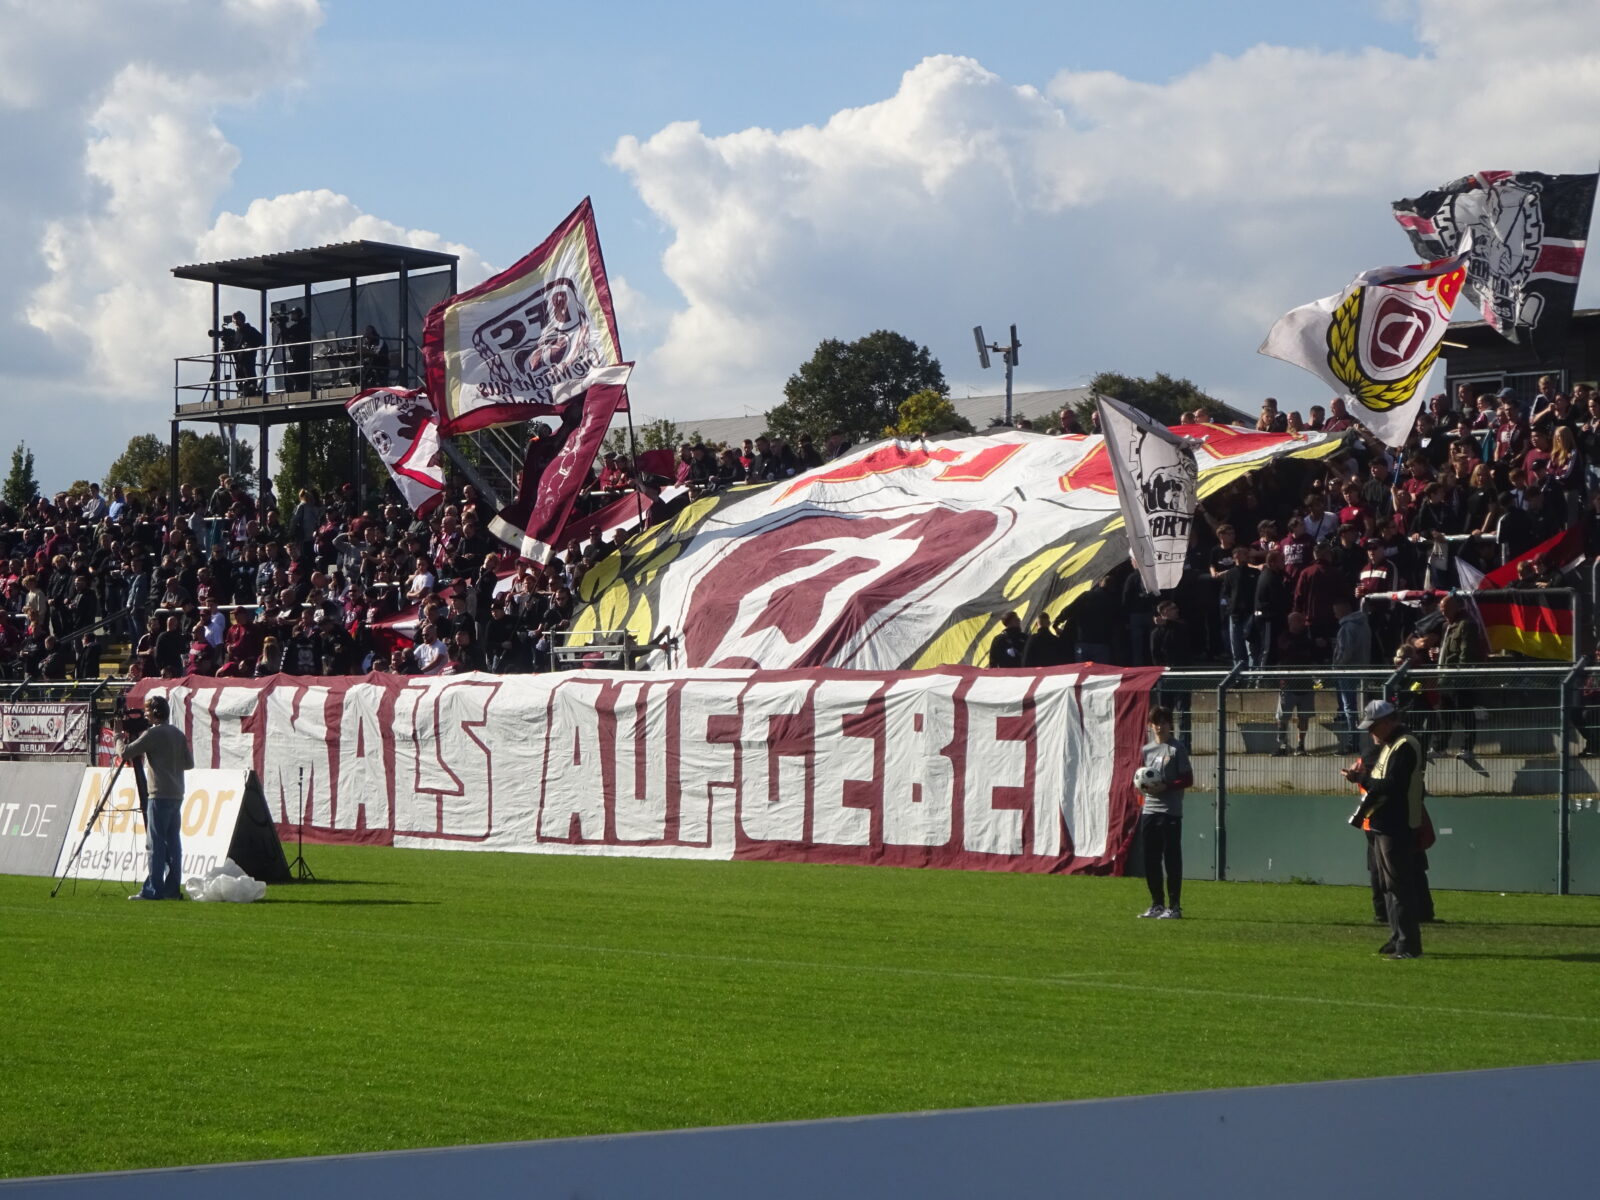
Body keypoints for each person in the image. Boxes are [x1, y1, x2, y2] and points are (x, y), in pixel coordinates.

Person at [1342, 700, 1427, 958]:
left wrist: (1361, 779)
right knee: (1389, 885)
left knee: (1398, 885)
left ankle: (1408, 945)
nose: (1371, 733)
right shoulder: (1392, 744)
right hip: (1383, 823)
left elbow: (1391, 785)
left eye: (1374, 726)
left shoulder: (1405, 745)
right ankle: (1397, 937)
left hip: (1396, 823)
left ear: (1389, 722)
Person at [120, 695, 194, 901]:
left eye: (146, 711)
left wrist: (118, 737)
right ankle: (171, 890)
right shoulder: (178, 734)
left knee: (155, 844)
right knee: (173, 844)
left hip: (158, 794)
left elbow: (126, 753)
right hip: (176, 793)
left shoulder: (153, 734)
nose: (145, 715)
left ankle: (153, 889)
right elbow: (189, 764)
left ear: (153, 712)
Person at [1137, 706, 1192, 919]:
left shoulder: (1177, 749)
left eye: (1164, 722)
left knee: (1171, 858)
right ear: (1150, 726)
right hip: (1149, 810)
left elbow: (1188, 779)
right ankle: (1157, 904)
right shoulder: (1147, 750)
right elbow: (1141, 778)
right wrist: (1144, 787)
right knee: (1151, 858)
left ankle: (1175, 907)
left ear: (1171, 725)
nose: (1160, 727)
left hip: (1170, 811)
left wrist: (1166, 786)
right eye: (1156, 723)